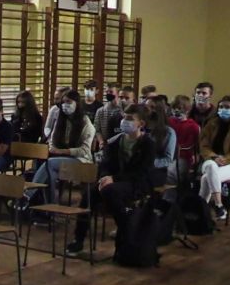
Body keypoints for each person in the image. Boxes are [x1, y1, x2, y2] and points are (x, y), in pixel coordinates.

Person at [66, 104, 157, 256]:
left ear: (141, 123)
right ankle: (78, 239)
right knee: (89, 195)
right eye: (124, 117)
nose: (124, 121)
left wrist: (113, 178)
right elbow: (105, 165)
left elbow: (141, 172)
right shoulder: (115, 141)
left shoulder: (148, 145)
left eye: (130, 119)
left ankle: (125, 229)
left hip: (135, 184)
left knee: (110, 191)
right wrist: (105, 177)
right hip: (112, 182)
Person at [26, 90, 95, 205]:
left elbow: (84, 150)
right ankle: (49, 208)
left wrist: (61, 151)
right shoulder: (61, 119)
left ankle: (28, 196)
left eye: (68, 102)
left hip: (81, 161)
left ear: (77, 103)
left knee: (49, 163)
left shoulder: (85, 122)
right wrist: (52, 148)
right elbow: (52, 140)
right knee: (50, 174)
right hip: (61, 159)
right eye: (63, 102)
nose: (65, 105)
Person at [168, 95, 200, 182]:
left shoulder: (193, 126)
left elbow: (192, 146)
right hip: (168, 155)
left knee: (171, 172)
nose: (176, 110)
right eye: (174, 108)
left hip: (183, 158)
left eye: (179, 108)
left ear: (187, 109)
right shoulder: (169, 121)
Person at [146, 99, 176, 187]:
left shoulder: (168, 132)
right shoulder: (139, 127)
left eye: (152, 107)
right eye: (146, 107)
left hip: (157, 170)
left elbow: (168, 159)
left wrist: (150, 163)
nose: (148, 110)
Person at [94, 83, 128, 149]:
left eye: (111, 92)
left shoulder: (125, 108)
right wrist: (101, 142)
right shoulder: (100, 111)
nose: (108, 94)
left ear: (118, 93)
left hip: (123, 144)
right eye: (107, 92)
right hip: (106, 144)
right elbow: (97, 129)